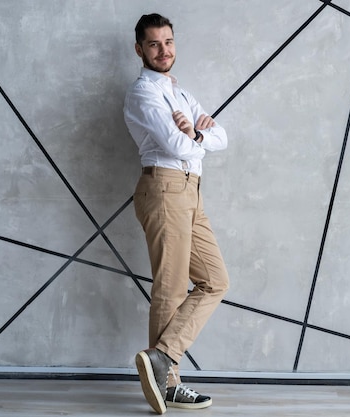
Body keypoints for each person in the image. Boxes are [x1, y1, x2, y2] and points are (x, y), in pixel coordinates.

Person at [123, 13, 229, 414]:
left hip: (190, 191)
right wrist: (192, 138)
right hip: (164, 187)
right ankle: (168, 382)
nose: (163, 50)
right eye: (153, 44)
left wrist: (196, 133)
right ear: (140, 49)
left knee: (215, 280)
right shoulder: (142, 93)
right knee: (169, 288)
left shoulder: (181, 95)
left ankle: (162, 356)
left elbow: (220, 136)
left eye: (168, 42)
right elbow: (176, 146)